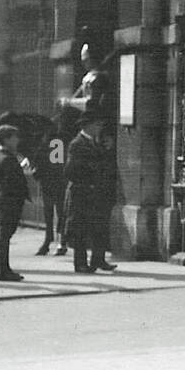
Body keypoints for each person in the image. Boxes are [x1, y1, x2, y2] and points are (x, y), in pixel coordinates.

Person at [64, 109, 118, 274]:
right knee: (80, 229)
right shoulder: (77, 144)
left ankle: (99, 259)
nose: (100, 128)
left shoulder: (96, 142)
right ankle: (80, 263)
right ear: (87, 126)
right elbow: (70, 170)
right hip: (83, 193)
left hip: (98, 193)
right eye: (97, 125)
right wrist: (90, 177)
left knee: (99, 227)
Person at [0, 125, 27, 282]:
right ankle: (2, 270)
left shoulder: (1, 155)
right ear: (6, 139)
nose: (17, 140)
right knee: (4, 235)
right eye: (14, 137)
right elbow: (12, 182)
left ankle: (1, 269)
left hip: (6, 200)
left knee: (3, 235)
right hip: (10, 201)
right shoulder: (6, 158)